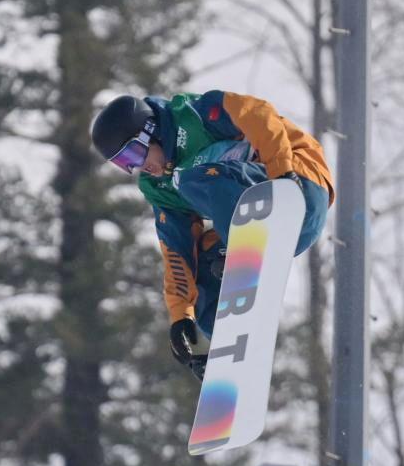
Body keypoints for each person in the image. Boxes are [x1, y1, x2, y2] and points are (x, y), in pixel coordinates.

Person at [90, 90, 334, 379]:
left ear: (149, 130)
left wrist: (282, 173)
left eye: (133, 154)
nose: (139, 166)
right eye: (124, 164)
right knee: (202, 261)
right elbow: (176, 248)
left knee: (191, 179)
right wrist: (181, 316)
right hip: (267, 223)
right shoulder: (157, 186)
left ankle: (246, 250)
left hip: (299, 184)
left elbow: (257, 113)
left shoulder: (195, 114)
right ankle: (226, 355)